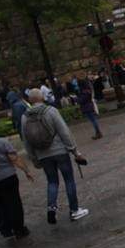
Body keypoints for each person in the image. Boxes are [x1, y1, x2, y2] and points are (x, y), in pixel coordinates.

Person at [21, 87, 89, 224]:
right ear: (42, 98)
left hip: (42, 155)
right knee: (68, 180)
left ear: (30, 100)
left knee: (52, 182)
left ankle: (51, 207)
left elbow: (26, 140)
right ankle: (74, 210)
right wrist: (74, 151)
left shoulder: (24, 117)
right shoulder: (51, 111)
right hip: (59, 151)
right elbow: (64, 132)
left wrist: (34, 158)